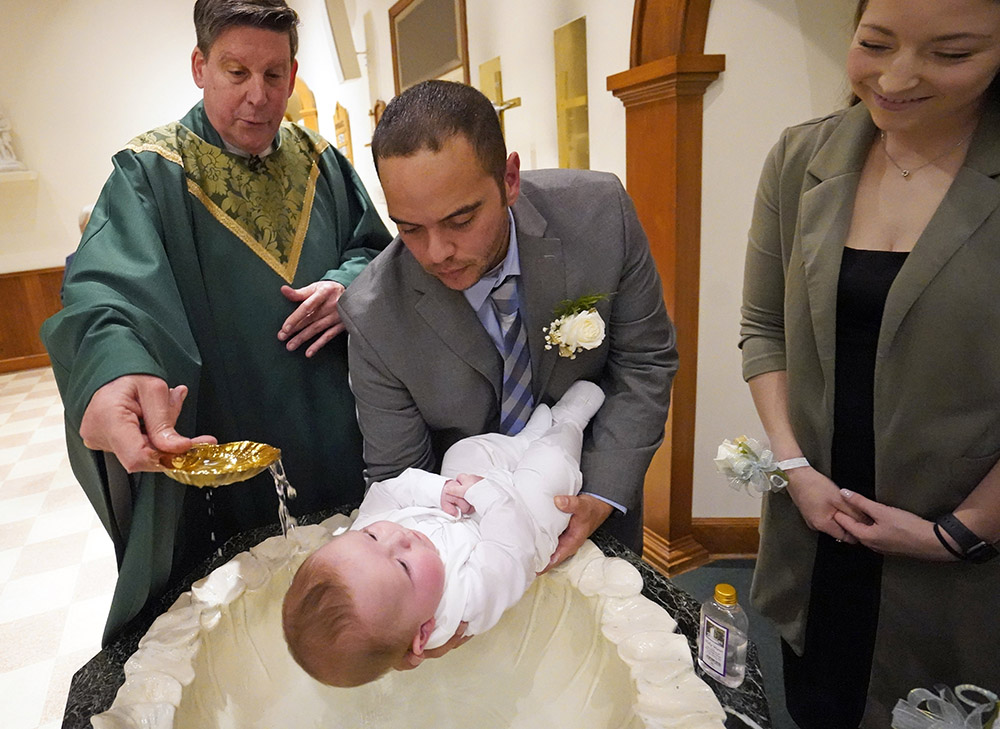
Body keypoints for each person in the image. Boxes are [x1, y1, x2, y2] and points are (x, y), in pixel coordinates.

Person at [40, 0, 391, 644]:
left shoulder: (322, 162)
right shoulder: (149, 172)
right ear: (200, 66)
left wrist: (348, 287)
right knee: (243, 624)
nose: (258, 97)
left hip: (337, 426)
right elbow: (103, 294)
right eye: (236, 72)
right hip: (222, 435)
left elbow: (376, 249)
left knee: (346, 600)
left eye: (275, 75)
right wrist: (117, 369)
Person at [739, 0, 1000, 726]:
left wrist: (960, 530)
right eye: (875, 42)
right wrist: (797, 470)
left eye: (951, 53)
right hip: (816, 531)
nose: (896, 76)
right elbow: (763, 330)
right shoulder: (803, 157)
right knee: (817, 700)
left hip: (961, 555)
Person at [339, 80, 678, 570]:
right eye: (409, 228)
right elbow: (401, 479)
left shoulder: (600, 215)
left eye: (460, 220)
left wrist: (602, 494)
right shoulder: (374, 314)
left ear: (509, 179)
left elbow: (645, 362)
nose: (436, 253)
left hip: (594, 493)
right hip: (461, 538)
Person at [282, 381, 604, 687]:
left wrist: (440, 491)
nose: (399, 537)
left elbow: (386, 494)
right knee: (544, 476)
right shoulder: (467, 602)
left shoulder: (361, 552)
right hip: (527, 522)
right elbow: (511, 547)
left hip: (466, 496)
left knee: (463, 454)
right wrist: (485, 496)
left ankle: (524, 440)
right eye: (403, 566)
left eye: (371, 537)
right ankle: (567, 423)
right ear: (423, 633)